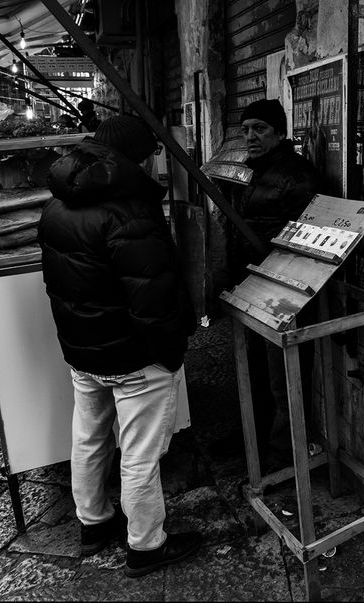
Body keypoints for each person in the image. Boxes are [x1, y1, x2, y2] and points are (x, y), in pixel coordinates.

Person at [37, 114, 202, 578]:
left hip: (84, 352)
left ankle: (93, 523)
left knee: (89, 440)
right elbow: (152, 298)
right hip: (133, 357)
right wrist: (170, 352)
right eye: (151, 155)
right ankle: (146, 545)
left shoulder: (57, 203)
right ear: (137, 157)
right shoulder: (130, 211)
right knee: (140, 456)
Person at [232, 99, 321, 471]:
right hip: (252, 284)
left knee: (283, 376)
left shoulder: (297, 174)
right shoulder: (250, 170)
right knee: (253, 366)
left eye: (260, 129)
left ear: (280, 132)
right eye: (246, 129)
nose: (251, 136)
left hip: (284, 289)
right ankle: (254, 441)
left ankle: (284, 454)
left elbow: (303, 237)